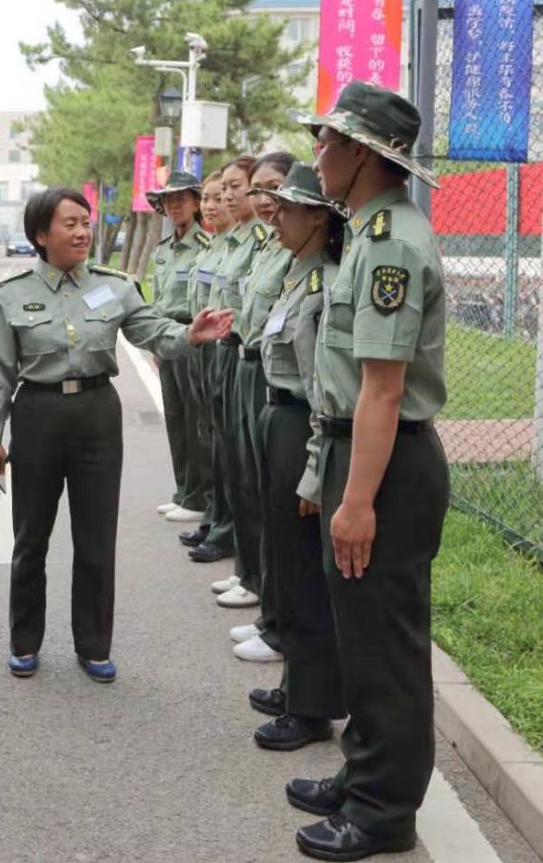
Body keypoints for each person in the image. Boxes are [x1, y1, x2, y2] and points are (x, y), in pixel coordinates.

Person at [285, 82, 448, 861]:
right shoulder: (367, 228)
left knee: (384, 644)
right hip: (363, 450)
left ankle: (383, 811)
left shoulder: (389, 242)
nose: (316, 155)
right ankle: (362, 774)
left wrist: (355, 500)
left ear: (361, 154)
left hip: (384, 459)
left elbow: (382, 389)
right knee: (361, 635)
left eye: (325, 143)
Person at [0, 188, 234, 683]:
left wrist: (189, 335)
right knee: (30, 536)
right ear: (40, 235)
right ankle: (24, 641)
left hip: (97, 414)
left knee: (97, 536)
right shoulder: (10, 294)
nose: (82, 232)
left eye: (86, 222)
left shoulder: (114, 286)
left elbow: (151, 330)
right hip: (37, 414)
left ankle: (94, 645)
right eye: (70, 224)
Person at [247, 163, 345, 753]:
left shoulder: (324, 286)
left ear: (318, 219)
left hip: (300, 427)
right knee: (285, 564)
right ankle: (295, 685)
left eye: (288, 208)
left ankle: (311, 709)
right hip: (276, 418)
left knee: (305, 572)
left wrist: (313, 470)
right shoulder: (293, 276)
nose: (276, 216)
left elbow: (322, 389)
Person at [226, 151, 296, 646]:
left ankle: (273, 610)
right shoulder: (271, 245)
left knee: (273, 499)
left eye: (274, 188)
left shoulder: (299, 247)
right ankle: (256, 585)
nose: (264, 199)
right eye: (259, 190)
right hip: (251, 364)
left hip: (276, 377)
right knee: (248, 482)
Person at [188, 156, 258, 573]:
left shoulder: (259, 241)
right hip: (217, 346)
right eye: (217, 192)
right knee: (218, 444)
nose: (224, 198)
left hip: (241, 352)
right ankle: (219, 522)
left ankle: (229, 537)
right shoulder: (226, 243)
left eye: (233, 188)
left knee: (238, 454)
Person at [145, 171, 213, 527]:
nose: (174, 206)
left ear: (196, 203)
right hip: (167, 338)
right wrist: (156, 342)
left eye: (181, 199)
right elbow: (157, 299)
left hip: (193, 337)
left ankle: (199, 497)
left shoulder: (206, 246)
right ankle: (183, 490)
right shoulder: (163, 250)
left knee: (195, 419)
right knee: (174, 417)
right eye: (169, 200)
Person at [180, 171, 229, 553]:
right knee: (206, 432)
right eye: (210, 197)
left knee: (224, 443)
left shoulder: (249, 245)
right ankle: (214, 516)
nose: (214, 204)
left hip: (228, 350)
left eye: (223, 194)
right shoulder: (216, 246)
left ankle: (224, 528)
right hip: (206, 345)